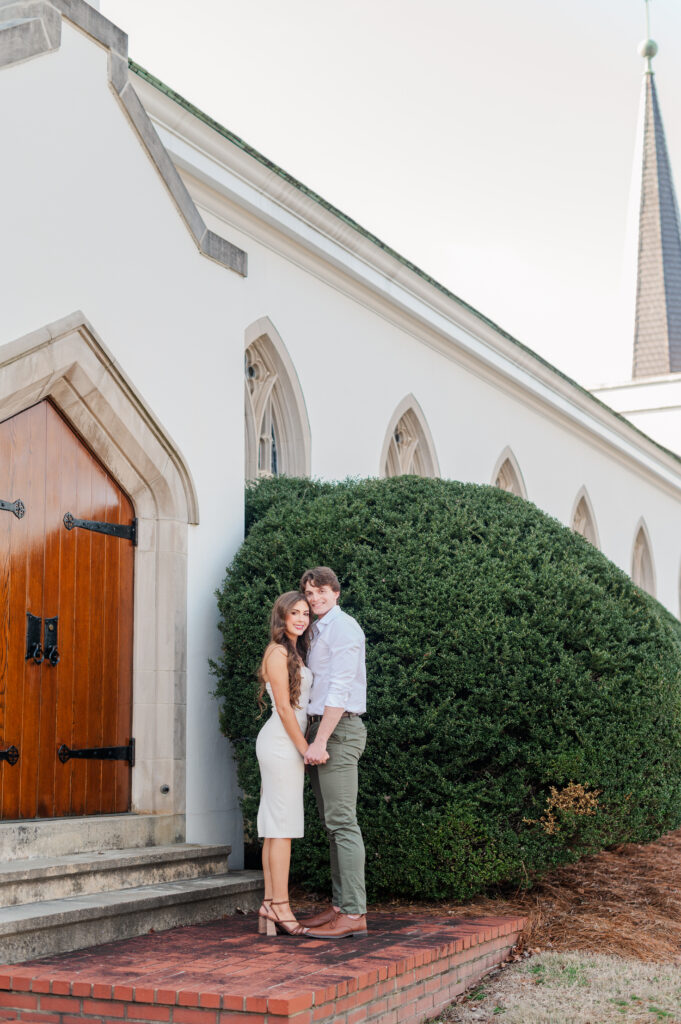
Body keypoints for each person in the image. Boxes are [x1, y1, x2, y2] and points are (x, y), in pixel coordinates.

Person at [299, 566, 368, 938]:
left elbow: (340, 689)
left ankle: (355, 914)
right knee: (332, 826)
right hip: (321, 729)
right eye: (310, 593)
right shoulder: (318, 628)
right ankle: (341, 907)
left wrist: (321, 740)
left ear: (336, 592)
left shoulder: (343, 628)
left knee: (343, 824)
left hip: (337, 731)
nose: (315, 598)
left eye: (321, 591)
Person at [255, 591, 320, 937]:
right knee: (282, 828)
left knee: (277, 827)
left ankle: (271, 902)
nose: (300, 618)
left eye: (305, 613)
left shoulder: (296, 651)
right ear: (280, 617)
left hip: (286, 742)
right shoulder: (278, 651)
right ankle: (279, 905)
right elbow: (283, 708)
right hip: (282, 743)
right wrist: (305, 748)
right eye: (293, 613)